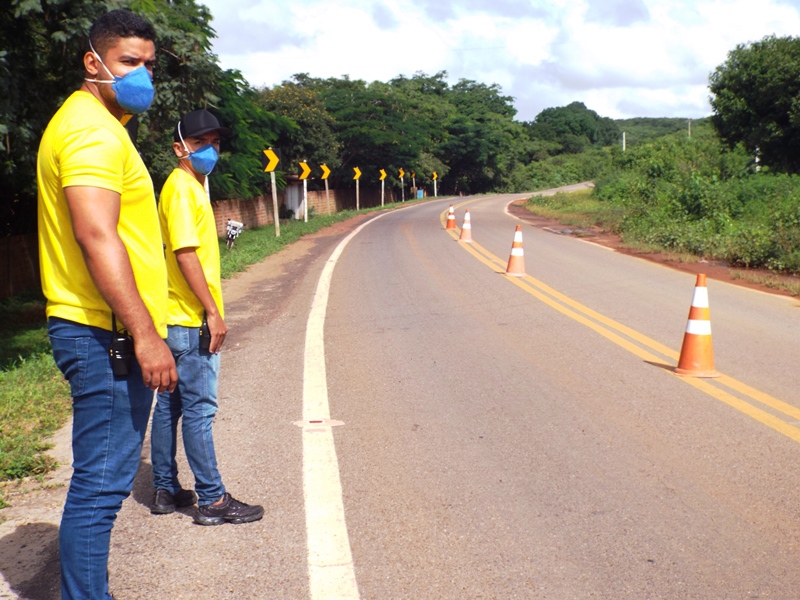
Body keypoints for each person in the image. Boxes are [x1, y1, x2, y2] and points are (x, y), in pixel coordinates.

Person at [36, 9, 177, 599]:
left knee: (102, 480)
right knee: (100, 485)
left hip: (102, 328)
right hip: (105, 333)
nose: (141, 74)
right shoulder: (91, 130)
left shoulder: (94, 124)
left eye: (148, 64)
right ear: (93, 63)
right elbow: (99, 235)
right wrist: (145, 333)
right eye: (128, 62)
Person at [150, 108, 264, 526]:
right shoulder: (182, 189)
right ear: (180, 148)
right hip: (190, 318)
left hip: (174, 315)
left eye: (216, 143)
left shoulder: (190, 186)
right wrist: (212, 313)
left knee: (170, 405)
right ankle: (213, 500)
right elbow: (185, 254)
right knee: (199, 409)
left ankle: (164, 488)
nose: (211, 150)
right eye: (201, 144)